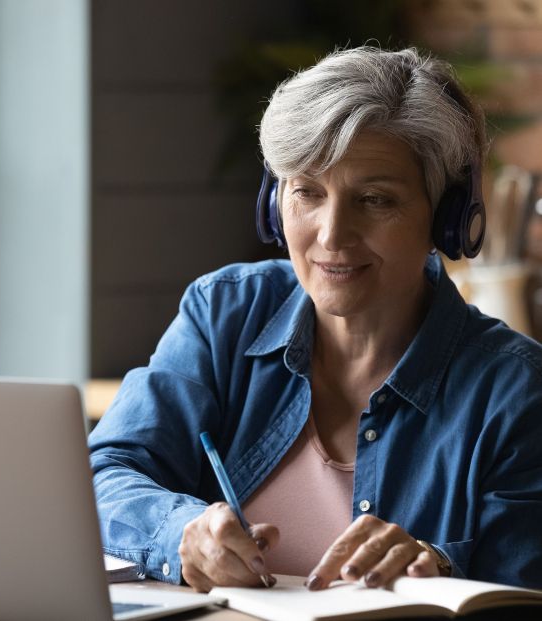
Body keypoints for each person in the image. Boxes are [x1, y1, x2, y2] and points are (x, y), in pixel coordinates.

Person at [88, 47, 542, 592]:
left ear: (445, 219)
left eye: (374, 199)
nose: (331, 236)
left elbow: (522, 587)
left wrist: (437, 568)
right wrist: (180, 530)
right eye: (307, 192)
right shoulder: (225, 314)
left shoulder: (517, 392)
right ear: (273, 201)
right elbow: (104, 474)